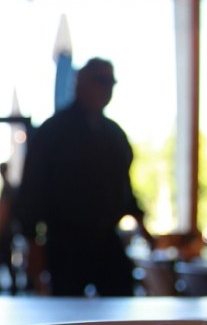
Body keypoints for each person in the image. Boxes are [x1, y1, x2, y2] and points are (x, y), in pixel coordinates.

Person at [15, 57, 152, 296]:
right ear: (80, 83)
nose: (106, 88)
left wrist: (144, 228)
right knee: (67, 312)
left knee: (121, 306)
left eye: (110, 82)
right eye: (100, 81)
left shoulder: (114, 135)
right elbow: (32, 190)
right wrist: (32, 243)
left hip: (107, 241)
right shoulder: (53, 132)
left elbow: (124, 189)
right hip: (65, 244)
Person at [0, 161, 19, 295]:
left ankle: (1, 288)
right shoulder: (10, 187)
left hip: (5, 233)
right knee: (6, 262)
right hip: (9, 232)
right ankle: (11, 288)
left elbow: (4, 212)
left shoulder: (6, 189)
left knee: (2, 263)